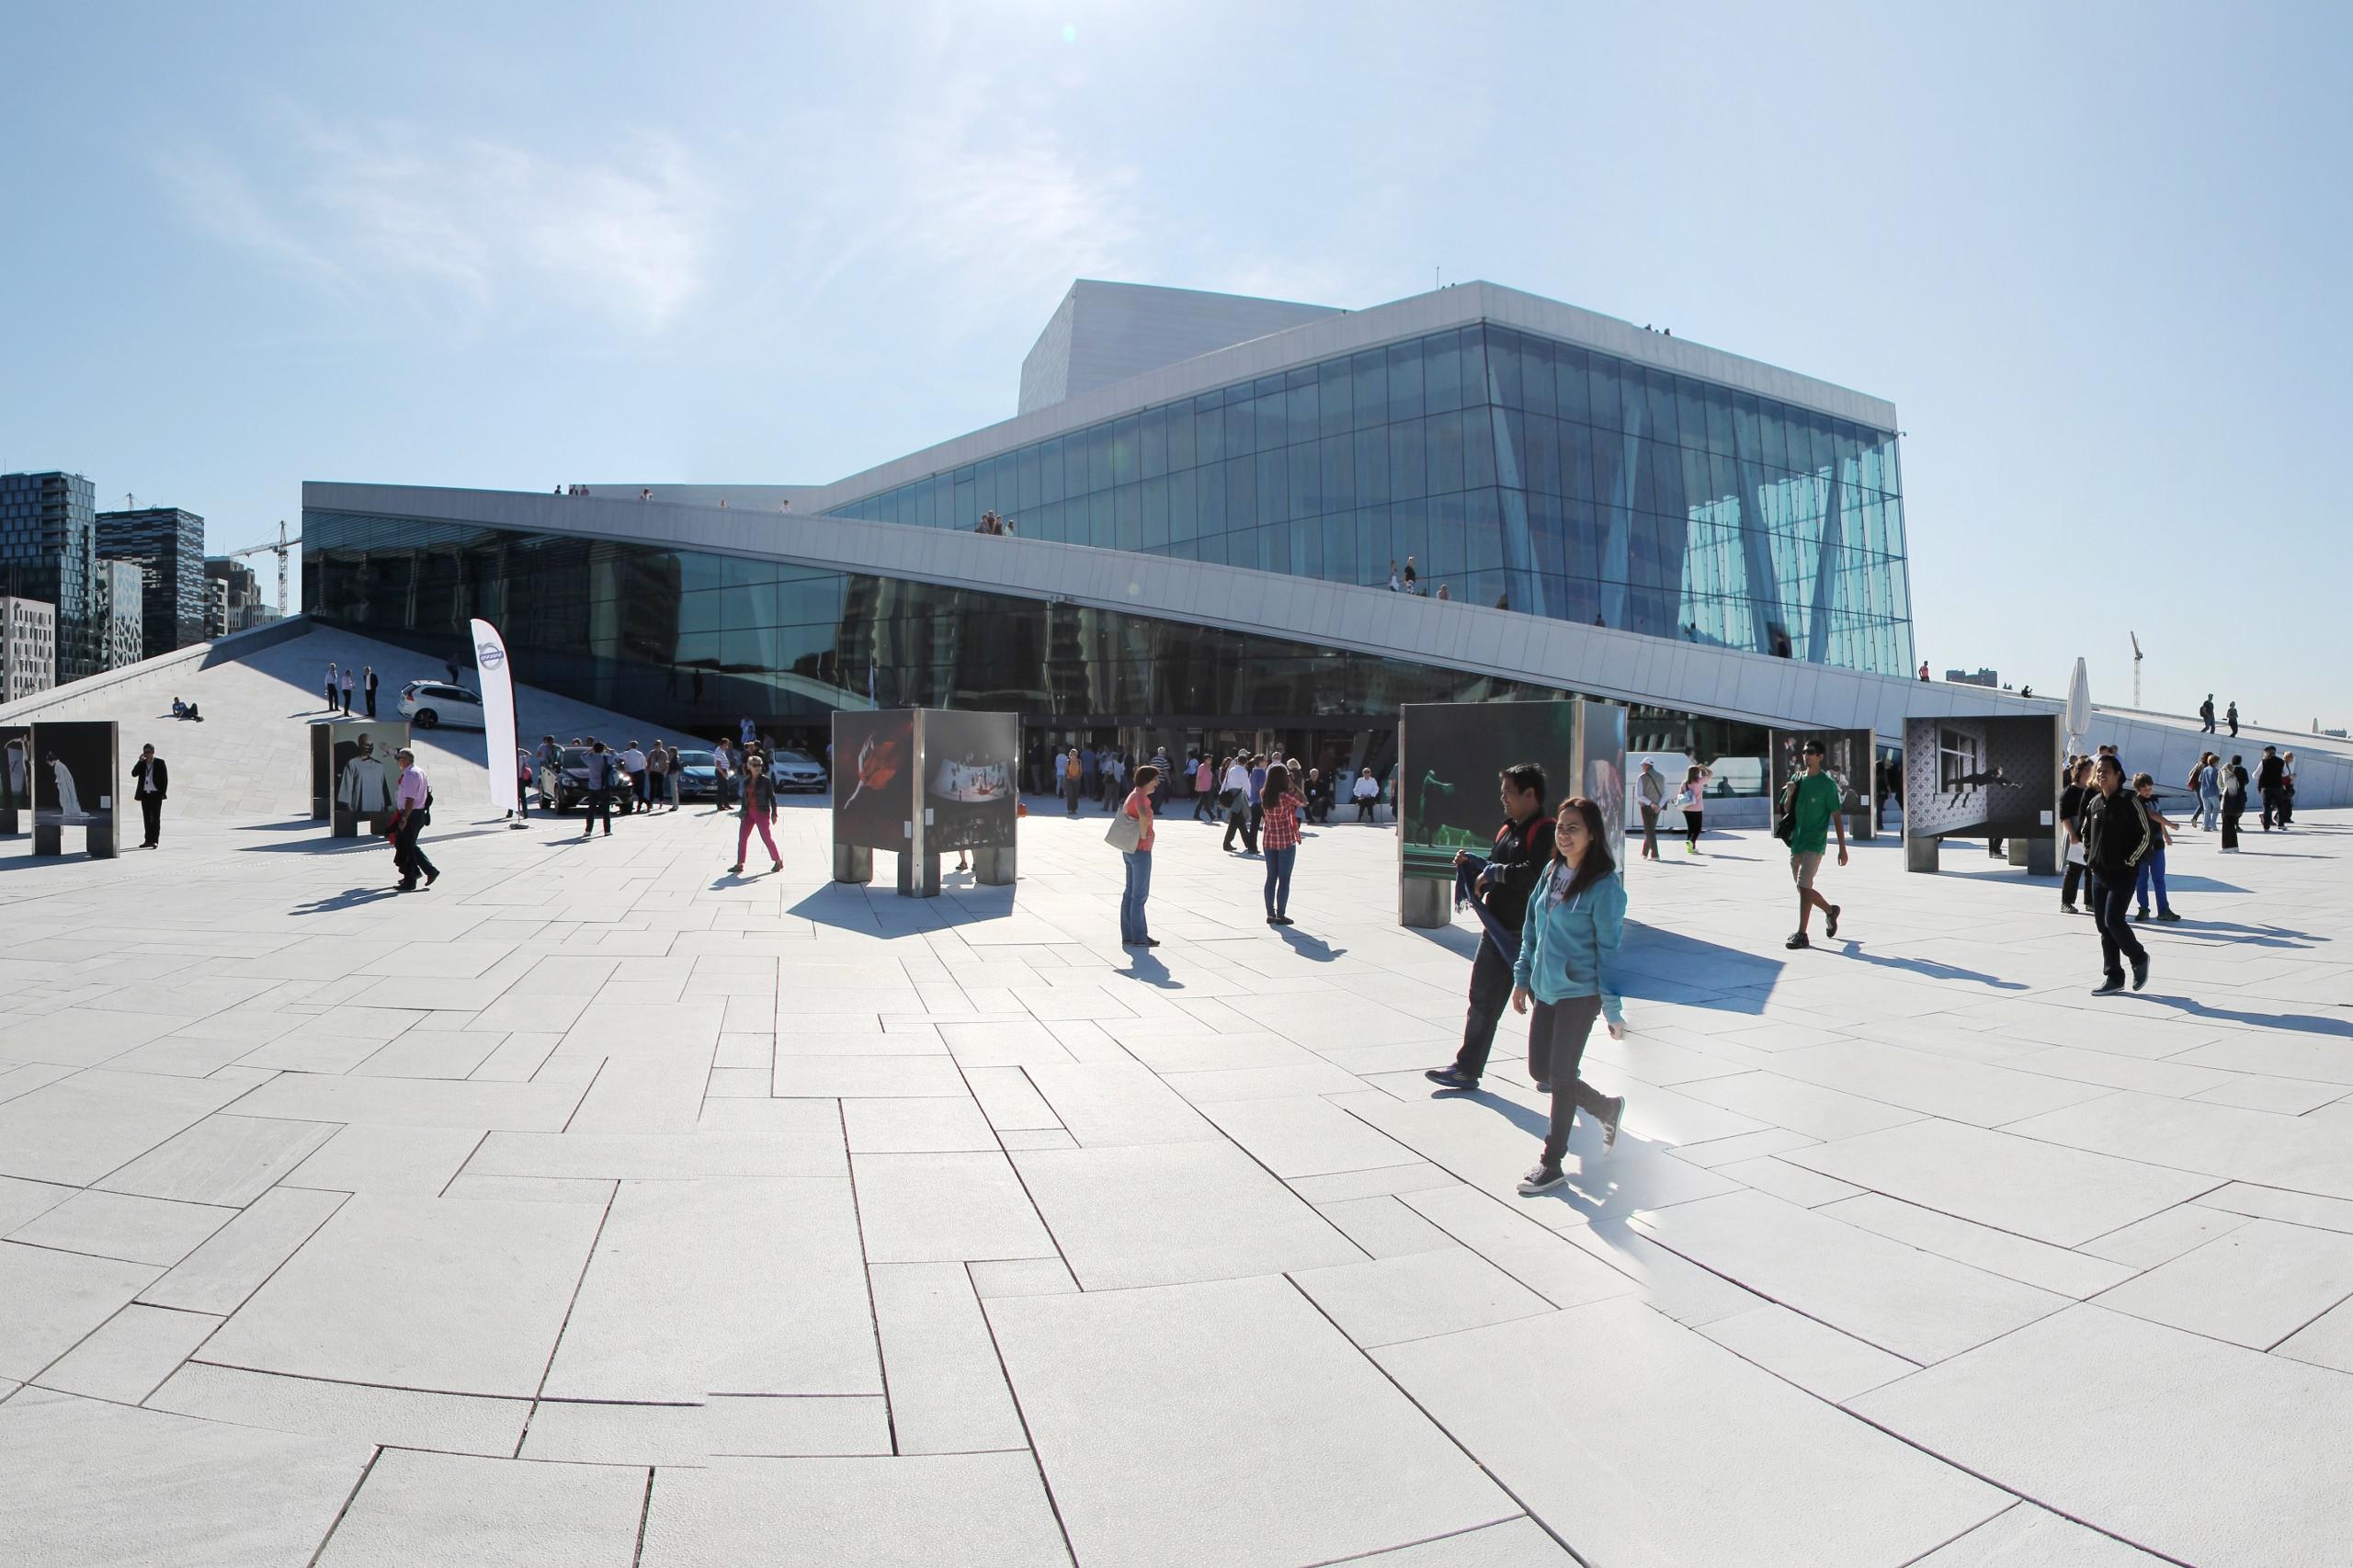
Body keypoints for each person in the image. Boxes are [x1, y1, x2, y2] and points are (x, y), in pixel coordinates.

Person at [1508, 794, 1629, 1195]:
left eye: (1573, 827)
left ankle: (1551, 1162)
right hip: (1547, 988)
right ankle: (1606, 1107)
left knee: (1560, 1076)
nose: (1564, 834)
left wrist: (1612, 1009)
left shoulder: (1604, 887)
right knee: (1541, 1071)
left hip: (1581, 992)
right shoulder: (1552, 870)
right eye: (1561, 827)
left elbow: (1610, 952)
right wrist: (1522, 976)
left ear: (1593, 834)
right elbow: (1532, 926)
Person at [1425, 764, 1557, 1093]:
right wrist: (1474, 864)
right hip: (1497, 931)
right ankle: (1467, 1069)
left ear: (1530, 794)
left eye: (1508, 792)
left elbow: (1534, 873)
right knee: (1481, 999)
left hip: (1530, 936)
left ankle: (1557, 1070)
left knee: (1549, 1004)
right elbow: (1498, 866)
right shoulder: (1508, 829)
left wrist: (1494, 872)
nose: (1503, 798)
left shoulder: (1545, 830)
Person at [2082, 756, 2153, 994]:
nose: (2101, 775)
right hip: (2098, 874)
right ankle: (2113, 976)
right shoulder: (2094, 804)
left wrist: (2129, 861)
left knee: (2114, 920)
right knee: (2103, 926)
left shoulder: (2130, 801)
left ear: (2118, 774)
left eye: (2106, 771)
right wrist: (2089, 857)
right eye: (2098, 771)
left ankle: (2139, 957)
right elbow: (2086, 834)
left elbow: (2145, 836)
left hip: (2123, 874)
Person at [1780, 738, 1848, 949]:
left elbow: (1836, 817)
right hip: (1797, 842)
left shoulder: (1827, 785)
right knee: (1804, 890)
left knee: (1804, 885)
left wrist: (1842, 849)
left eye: (1810, 752)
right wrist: (1790, 792)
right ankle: (1830, 911)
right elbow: (1785, 808)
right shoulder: (1797, 779)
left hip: (1815, 843)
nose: (1806, 755)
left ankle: (1802, 933)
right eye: (1804, 752)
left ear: (1820, 756)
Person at [1119, 764, 1160, 948]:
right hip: (1140, 850)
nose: (1157, 783)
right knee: (1139, 896)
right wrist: (1144, 835)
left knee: (1130, 893)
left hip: (1129, 848)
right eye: (1155, 780)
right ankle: (1140, 936)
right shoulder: (1141, 797)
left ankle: (1128, 934)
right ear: (1147, 780)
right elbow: (1143, 816)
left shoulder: (1134, 794)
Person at [2131, 773, 2181, 923]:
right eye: (2145, 789)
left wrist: (2166, 834)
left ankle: (2164, 910)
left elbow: (2159, 817)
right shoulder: (2136, 801)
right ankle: (2143, 908)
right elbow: (2153, 815)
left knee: (2159, 879)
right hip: (2142, 846)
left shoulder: (2154, 799)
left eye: (2150, 788)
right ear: (2138, 789)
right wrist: (2171, 824)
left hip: (2157, 845)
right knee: (2141, 879)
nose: (2148, 792)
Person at [388, 748, 438, 892]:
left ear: (405, 759)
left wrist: (404, 817)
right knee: (404, 844)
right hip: (417, 813)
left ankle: (420, 875)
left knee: (407, 846)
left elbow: (410, 798)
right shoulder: (419, 771)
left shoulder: (410, 774)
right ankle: (416, 873)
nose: (398, 761)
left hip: (411, 814)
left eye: (399, 758)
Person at [730, 753, 784, 875]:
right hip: (748, 812)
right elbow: (744, 798)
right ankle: (740, 864)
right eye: (755, 765)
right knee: (742, 838)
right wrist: (742, 811)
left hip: (762, 812)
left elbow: (772, 797)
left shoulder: (766, 781)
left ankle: (778, 861)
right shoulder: (746, 781)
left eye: (759, 765)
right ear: (750, 766)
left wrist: (774, 813)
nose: (758, 767)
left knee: (766, 838)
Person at [1261, 763, 1302, 926]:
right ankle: (1281, 915)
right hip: (1285, 840)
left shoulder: (1264, 793)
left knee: (1271, 877)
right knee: (1284, 879)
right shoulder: (1287, 796)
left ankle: (1270, 914)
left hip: (1269, 839)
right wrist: (1292, 783)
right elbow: (1302, 801)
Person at [2058, 758, 2097, 912]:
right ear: (2079, 771)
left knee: (2091, 869)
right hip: (2076, 832)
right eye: (2088, 770)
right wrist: (2072, 834)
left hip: (2091, 832)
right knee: (2074, 869)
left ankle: (2090, 901)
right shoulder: (2069, 791)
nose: (2091, 773)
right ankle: (2066, 902)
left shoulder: (2093, 790)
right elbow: (2064, 816)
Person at [132, 744, 167, 849]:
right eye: (145, 752)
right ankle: (148, 840)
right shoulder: (142, 764)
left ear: (153, 752)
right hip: (145, 795)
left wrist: (162, 793)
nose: (146, 754)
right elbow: (134, 774)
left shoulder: (160, 763)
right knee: (147, 818)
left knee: (155, 819)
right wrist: (139, 762)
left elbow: (164, 780)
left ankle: (155, 841)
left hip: (156, 794)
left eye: (148, 752)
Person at [582, 738, 618, 838]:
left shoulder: (591, 759)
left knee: (591, 809)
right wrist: (609, 749)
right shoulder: (606, 759)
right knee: (606, 810)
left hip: (593, 787)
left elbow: (582, 755)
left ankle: (588, 830)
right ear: (603, 749)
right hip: (605, 787)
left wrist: (590, 750)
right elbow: (616, 755)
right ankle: (607, 830)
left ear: (594, 749)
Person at [1222, 755, 1256, 852]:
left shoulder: (1232, 770)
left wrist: (1222, 792)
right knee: (1235, 820)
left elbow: (1226, 781)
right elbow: (1247, 785)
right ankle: (1227, 843)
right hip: (1238, 795)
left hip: (1231, 794)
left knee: (1240, 821)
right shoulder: (1243, 771)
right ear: (1245, 763)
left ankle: (1248, 842)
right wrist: (1251, 797)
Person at [1634, 759, 1666, 860]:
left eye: (1642, 765)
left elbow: (1639, 795)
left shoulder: (1642, 777)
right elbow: (1665, 794)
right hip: (1658, 807)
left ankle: (1655, 855)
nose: (1641, 767)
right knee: (1651, 829)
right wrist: (1659, 806)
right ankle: (1644, 853)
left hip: (1646, 807)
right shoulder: (1662, 777)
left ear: (1646, 765)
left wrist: (1651, 804)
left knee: (1650, 831)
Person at [1677, 763, 1713, 855]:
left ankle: (1691, 848)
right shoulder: (1699, 781)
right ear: (1697, 773)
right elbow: (1710, 773)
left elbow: (1680, 794)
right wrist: (1703, 768)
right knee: (1697, 828)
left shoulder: (1685, 782)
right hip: (1697, 808)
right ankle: (1691, 842)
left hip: (1686, 808)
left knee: (1690, 828)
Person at [2219, 754, 2247, 851]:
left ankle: (2227, 847)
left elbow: (2224, 781)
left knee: (2227, 827)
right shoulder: (2234, 780)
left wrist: (2223, 772)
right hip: (2231, 807)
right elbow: (2220, 784)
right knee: (2231, 827)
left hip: (2228, 807)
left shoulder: (2231, 780)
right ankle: (2234, 846)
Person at [2256, 745, 2286, 831]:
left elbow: (2255, 775)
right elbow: (2285, 773)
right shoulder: (2281, 762)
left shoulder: (2264, 761)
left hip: (2266, 787)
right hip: (2277, 787)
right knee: (2280, 805)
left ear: (2268, 752)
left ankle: (2266, 826)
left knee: (2267, 806)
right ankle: (2281, 824)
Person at [2196, 752, 2222, 833]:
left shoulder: (2205, 769)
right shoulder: (2215, 770)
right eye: (2217, 761)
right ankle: (2212, 824)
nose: (2218, 763)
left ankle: (2205, 826)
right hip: (2212, 792)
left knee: (2207, 809)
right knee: (2216, 807)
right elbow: (2217, 781)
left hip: (2203, 791)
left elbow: (2200, 779)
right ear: (2214, 762)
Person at [620, 740, 647, 813]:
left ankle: (631, 804)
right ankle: (640, 806)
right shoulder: (640, 754)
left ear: (630, 746)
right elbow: (644, 764)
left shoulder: (626, 753)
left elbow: (617, 757)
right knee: (640, 791)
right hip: (639, 773)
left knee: (631, 790)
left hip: (630, 774)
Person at [1193, 754, 1217, 822]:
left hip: (1207, 787)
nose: (1210, 760)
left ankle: (1196, 815)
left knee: (1201, 802)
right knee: (1205, 802)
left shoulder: (1209, 767)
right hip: (1202, 787)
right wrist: (1196, 786)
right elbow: (1199, 777)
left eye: (1211, 759)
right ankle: (1211, 815)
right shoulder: (1202, 767)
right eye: (1209, 759)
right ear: (1205, 760)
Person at [648, 741, 671, 812]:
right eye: (655, 745)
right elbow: (648, 761)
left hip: (660, 772)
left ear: (661, 745)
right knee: (652, 787)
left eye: (658, 745)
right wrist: (648, 769)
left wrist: (664, 771)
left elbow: (667, 763)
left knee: (660, 787)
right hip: (653, 771)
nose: (656, 746)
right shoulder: (652, 753)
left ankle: (661, 801)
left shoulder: (664, 753)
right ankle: (651, 802)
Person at [1062, 747, 1083, 816]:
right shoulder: (1068, 761)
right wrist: (1072, 777)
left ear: (1076, 754)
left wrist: (1077, 777)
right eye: (1072, 754)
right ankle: (1070, 809)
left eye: (1075, 754)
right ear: (1070, 754)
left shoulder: (1079, 761)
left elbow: (1081, 771)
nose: (1073, 755)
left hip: (1077, 779)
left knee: (1075, 795)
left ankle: (1075, 809)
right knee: (1070, 795)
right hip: (1069, 779)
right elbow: (1066, 771)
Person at [2280, 751, 2297, 825]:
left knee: (2288, 803)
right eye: (2291, 757)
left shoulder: (2286, 765)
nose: (2292, 759)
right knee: (2285, 803)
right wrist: (2290, 777)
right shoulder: (2283, 764)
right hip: (2284, 786)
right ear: (2287, 757)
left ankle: (2286, 817)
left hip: (2287, 786)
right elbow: (2282, 776)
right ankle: (2281, 817)